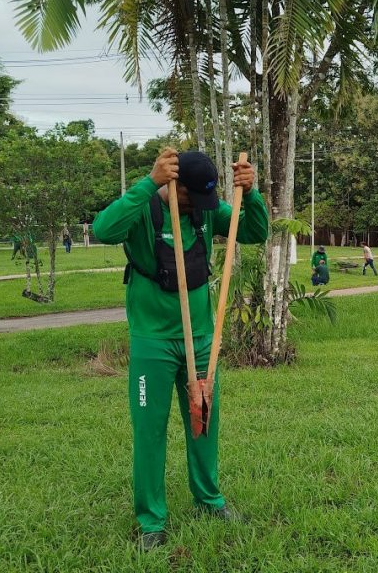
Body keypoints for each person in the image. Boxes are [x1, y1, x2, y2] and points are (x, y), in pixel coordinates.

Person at [92, 148, 267, 551]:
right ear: (173, 184)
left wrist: (251, 195)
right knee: (149, 432)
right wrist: (149, 182)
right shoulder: (145, 206)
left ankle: (209, 500)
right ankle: (152, 520)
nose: (198, 207)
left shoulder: (202, 209)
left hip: (203, 339)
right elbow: (104, 228)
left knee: (203, 424)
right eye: (189, 197)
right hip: (152, 341)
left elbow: (253, 232)